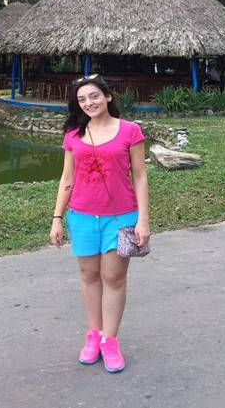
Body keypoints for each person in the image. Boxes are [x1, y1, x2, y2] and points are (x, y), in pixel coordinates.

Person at [49, 74, 150, 373]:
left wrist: (143, 219)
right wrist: (57, 218)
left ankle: (110, 340)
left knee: (113, 278)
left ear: (107, 96)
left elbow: (140, 176)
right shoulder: (73, 134)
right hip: (81, 216)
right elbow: (67, 179)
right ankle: (93, 335)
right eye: (82, 99)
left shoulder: (130, 130)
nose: (88, 103)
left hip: (121, 217)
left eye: (94, 96)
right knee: (89, 276)